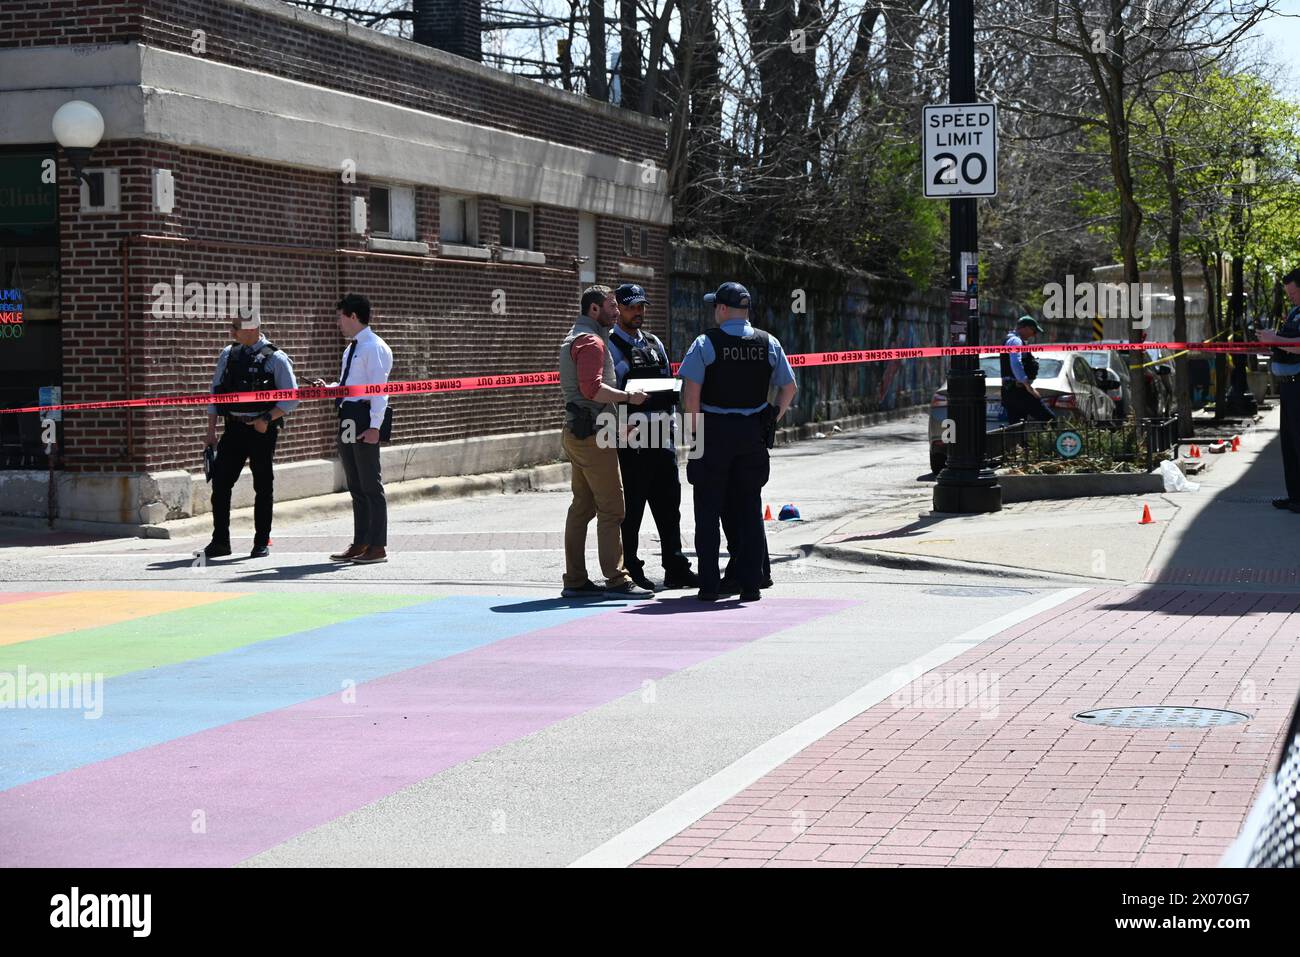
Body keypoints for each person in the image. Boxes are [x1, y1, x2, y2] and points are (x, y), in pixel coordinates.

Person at [680, 282, 796, 603]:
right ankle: (750, 585)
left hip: (713, 432)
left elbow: (692, 395)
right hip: (751, 435)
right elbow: (789, 387)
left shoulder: (705, 342)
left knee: (708, 509)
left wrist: (695, 433)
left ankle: (709, 586)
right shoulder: (768, 342)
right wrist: (773, 417)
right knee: (749, 508)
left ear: (721, 309)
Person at [558, 285, 655, 599]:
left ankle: (574, 580)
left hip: (579, 431)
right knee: (612, 510)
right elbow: (592, 390)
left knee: (582, 507)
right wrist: (629, 397)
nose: (617, 311)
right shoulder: (592, 341)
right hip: (593, 435)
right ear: (594, 310)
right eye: (612, 306)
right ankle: (616, 579)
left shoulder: (576, 336)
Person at [606, 283, 698, 591]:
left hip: (661, 436)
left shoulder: (654, 342)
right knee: (631, 511)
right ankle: (630, 568)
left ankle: (675, 567)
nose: (638, 312)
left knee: (669, 507)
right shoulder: (608, 346)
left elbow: (668, 385)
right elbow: (608, 396)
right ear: (617, 308)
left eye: (642, 306)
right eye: (632, 306)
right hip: (631, 439)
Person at [202, 311, 299, 559]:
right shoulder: (228, 354)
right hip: (233, 428)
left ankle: (261, 541)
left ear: (252, 329)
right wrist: (211, 431)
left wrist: (266, 419)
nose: (231, 332)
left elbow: (291, 396)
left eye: (235, 327)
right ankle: (220, 541)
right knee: (221, 483)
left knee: (263, 486)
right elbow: (216, 393)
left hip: (261, 431)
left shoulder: (275, 358)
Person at [310, 293, 393, 564]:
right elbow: (351, 385)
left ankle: (377, 546)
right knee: (355, 484)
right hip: (347, 415)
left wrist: (375, 427)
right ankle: (361, 541)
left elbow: (379, 392)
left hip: (364, 417)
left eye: (341, 316)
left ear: (353, 316)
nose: (338, 322)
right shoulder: (351, 348)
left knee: (371, 482)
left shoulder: (373, 347)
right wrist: (330, 388)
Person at [1256, 267, 1300, 512]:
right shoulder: (1295, 312)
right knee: (1290, 444)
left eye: (1293, 293)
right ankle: (1294, 496)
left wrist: (1274, 340)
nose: (1290, 297)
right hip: (1289, 387)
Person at [1000, 316, 1053, 426]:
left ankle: (1017, 444)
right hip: (1018, 390)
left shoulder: (1012, 339)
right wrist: (1028, 386)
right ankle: (1053, 442)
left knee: (1017, 426)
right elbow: (1015, 363)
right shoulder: (1016, 341)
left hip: (1010, 390)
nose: (1034, 335)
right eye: (1034, 331)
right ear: (1026, 328)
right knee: (1050, 420)